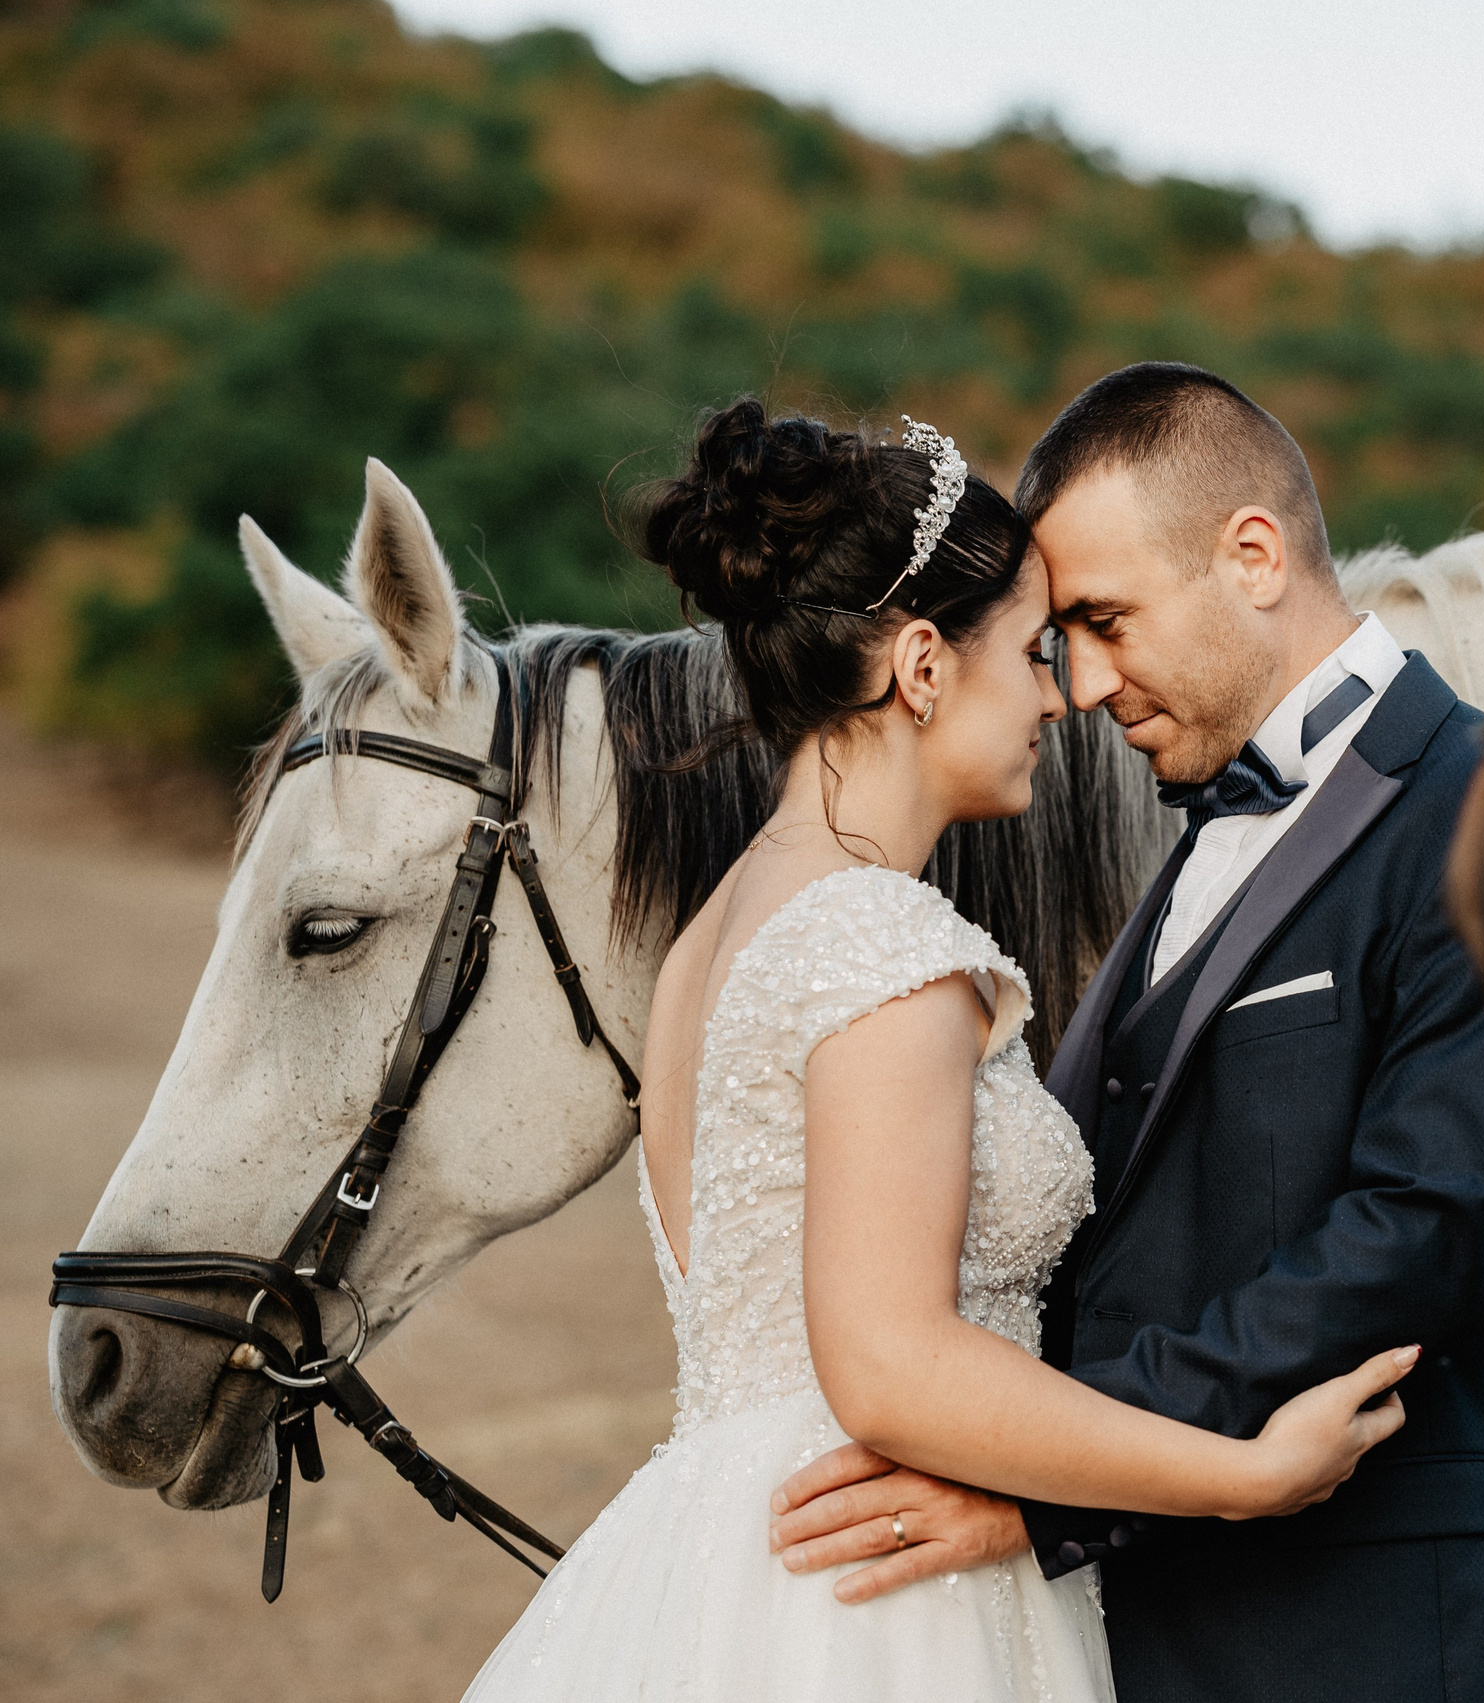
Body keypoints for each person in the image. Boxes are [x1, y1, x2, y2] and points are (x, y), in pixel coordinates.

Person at [463, 399, 1415, 1702]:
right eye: (1032, 652)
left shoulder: (718, 937)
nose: (1062, 695)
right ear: (920, 666)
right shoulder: (881, 944)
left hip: (731, 1557)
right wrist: (1237, 1473)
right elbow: (892, 1364)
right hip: (884, 1607)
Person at [770, 365, 1484, 1702]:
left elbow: (1420, 1236)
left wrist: (1052, 1490)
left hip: (1408, 1631)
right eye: (1064, 639)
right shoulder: (1197, 843)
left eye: (1109, 621)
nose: (1090, 684)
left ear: (1253, 555)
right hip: (1172, 1623)